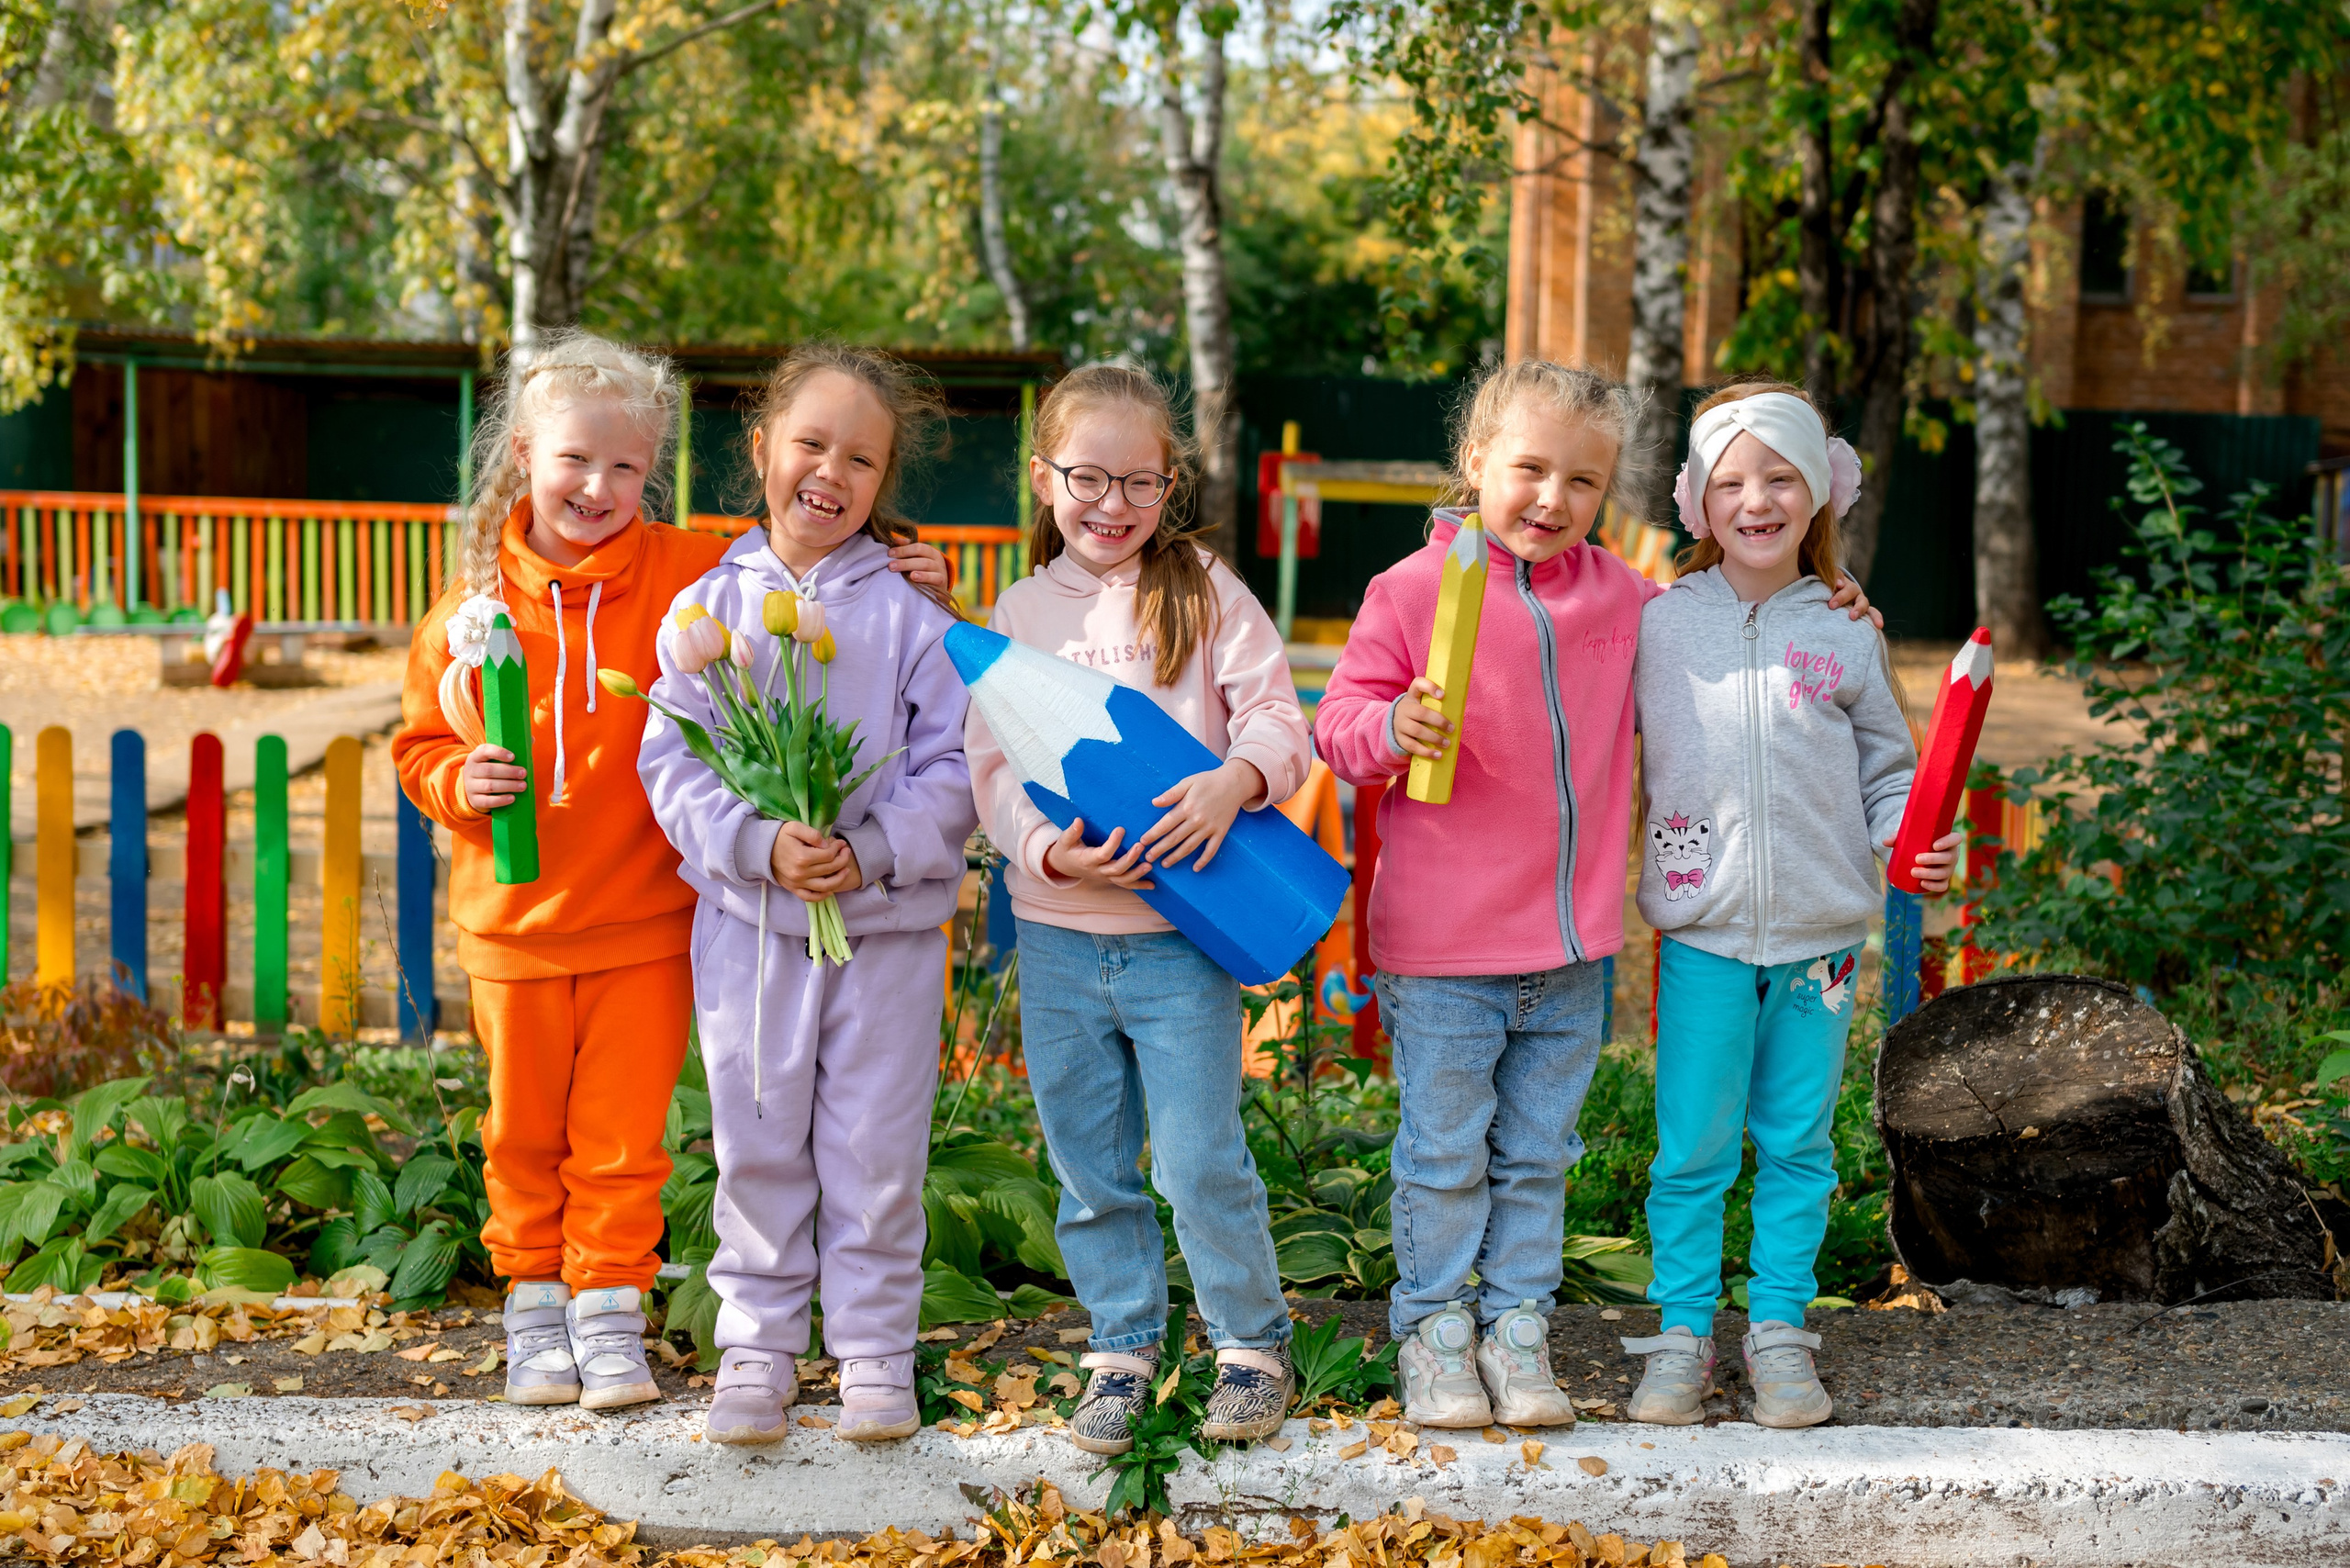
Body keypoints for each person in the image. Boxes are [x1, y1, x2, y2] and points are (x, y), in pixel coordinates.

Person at [1315, 361, 1883, 1429]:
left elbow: (1737, 625)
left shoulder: (1629, 602)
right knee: (1443, 1154)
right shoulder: (1409, 591)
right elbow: (1339, 724)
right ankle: (1435, 1329)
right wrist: (1390, 732)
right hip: (1441, 946)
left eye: (1583, 481)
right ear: (1476, 461)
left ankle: (1519, 1330)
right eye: (1528, 469)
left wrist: (1831, 598)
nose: (1551, 499)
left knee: (1536, 1154)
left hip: (1570, 948)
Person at [393, 330, 949, 1415]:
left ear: (655, 476)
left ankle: (608, 1313)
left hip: (648, 922)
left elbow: (801, 547)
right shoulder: (468, 614)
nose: (599, 488)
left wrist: (910, 563)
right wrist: (459, 784)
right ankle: (532, 1306)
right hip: (514, 922)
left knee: (623, 1134)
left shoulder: (690, 570)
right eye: (573, 461)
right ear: (520, 454)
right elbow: (419, 748)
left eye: (627, 469)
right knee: (520, 1129)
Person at [965, 364, 1310, 1456]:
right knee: (1088, 1162)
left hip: (1179, 943)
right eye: (1087, 478)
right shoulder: (1017, 614)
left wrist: (1233, 782)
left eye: (1140, 482)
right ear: (1042, 477)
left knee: (1200, 1155)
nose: (1111, 505)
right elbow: (990, 769)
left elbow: (1277, 719)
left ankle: (1251, 1344)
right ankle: (1122, 1348)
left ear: (1172, 485)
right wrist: (1046, 849)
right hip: (1064, 938)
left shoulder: (1202, 589)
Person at [638, 344, 975, 1447]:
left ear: (884, 483)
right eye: (810, 443)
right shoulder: (703, 610)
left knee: (878, 1146)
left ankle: (875, 1350)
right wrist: (753, 842)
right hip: (752, 931)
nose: (830, 471)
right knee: (759, 1133)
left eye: (861, 458)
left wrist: (871, 849)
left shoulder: (912, 618)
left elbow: (959, 765)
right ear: (761, 451)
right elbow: (671, 764)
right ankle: (759, 1348)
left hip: (883, 935)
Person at [1621, 380, 1957, 1429]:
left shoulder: (1848, 630)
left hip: (1821, 944)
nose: (1756, 499)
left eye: (1780, 478)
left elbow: (1887, 775)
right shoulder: (1658, 624)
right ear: (1697, 500)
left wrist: (1911, 836)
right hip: (1704, 938)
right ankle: (1681, 1333)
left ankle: (1776, 1330)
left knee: (1798, 1144)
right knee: (1691, 1146)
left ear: (1817, 495)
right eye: (1731, 481)